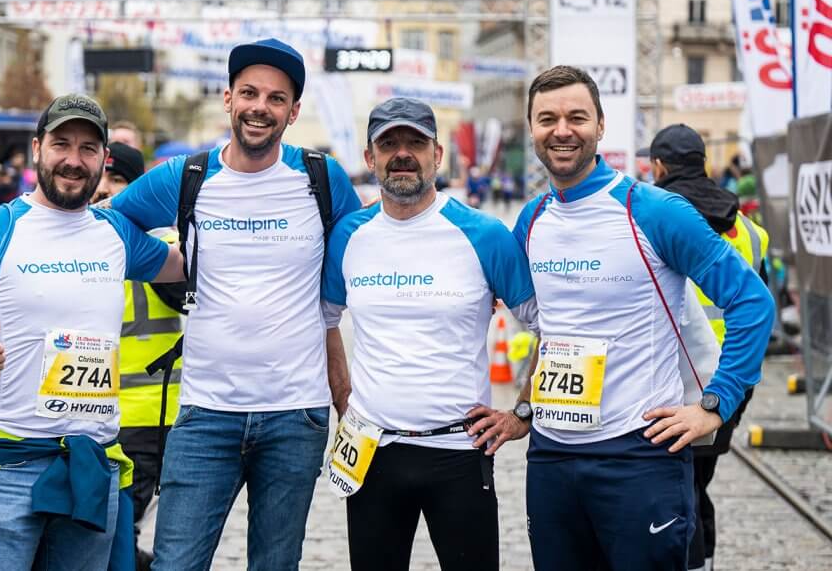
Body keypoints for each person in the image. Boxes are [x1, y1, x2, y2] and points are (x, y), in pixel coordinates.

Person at [102, 38, 362, 569]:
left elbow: (364, 257)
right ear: (227, 99)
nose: (259, 107)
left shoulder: (321, 179)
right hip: (204, 417)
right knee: (176, 563)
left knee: (275, 565)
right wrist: (166, 262)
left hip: (295, 417)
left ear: (292, 112)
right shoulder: (187, 178)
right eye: (249, 92)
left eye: (275, 98)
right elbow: (108, 221)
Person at [506, 66, 774, 570]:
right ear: (532, 129)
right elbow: (551, 329)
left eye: (576, 117)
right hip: (552, 458)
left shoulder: (654, 210)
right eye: (547, 119)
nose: (561, 130)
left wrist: (716, 404)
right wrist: (523, 410)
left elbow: (752, 302)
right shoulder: (532, 219)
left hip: (638, 455)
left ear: (601, 125)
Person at [0, 94, 185, 571]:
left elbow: (186, 266)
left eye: (87, 149)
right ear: (38, 148)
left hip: (91, 466)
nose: (73, 161)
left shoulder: (114, 231)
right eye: (62, 144)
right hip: (9, 466)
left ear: (104, 158)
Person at [321, 98, 538, 570]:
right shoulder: (348, 236)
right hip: (372, 453)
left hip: (459, 452)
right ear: (370, 158)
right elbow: (323, 320)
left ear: (438, 154)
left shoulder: (484, 234)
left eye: (415, 143)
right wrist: (343, 397)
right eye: (389, 143)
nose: (402, 153)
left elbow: (549, 325)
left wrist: (522, 412)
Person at [644, 124, 770, 571]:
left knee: (676, 491)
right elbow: (760, 308)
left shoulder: (655, 222)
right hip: (730, 386)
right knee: (698, 484)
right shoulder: (752, 232)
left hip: (674, 380)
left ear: (658, 167)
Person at [95, 141, 188, 570]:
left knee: (115, 533)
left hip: (145, 417)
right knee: (102, 532)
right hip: (84, 415)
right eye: (101, 177)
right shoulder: (75, 242)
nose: (104, 190)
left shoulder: (159, 243)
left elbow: (184, 290)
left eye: (117, 181)